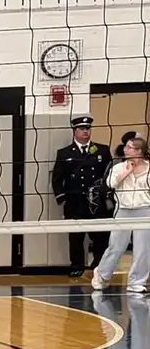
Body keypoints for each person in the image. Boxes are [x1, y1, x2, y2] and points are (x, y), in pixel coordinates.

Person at [54, 115, 112, 279]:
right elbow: (57, 178)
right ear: (75, 131)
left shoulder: (102, 150)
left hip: (97, 202)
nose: (86, 132)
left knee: (100, 235)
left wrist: (106, 194)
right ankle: (77, 265)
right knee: (76, 237)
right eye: (82, 129)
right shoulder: (64, 153)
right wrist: (62, 197)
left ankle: (99, 264)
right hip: (75, 202)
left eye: (88, 129)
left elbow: (109, 174)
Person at [92, 135, 150, 294]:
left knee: (143, 248)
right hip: (123, 210)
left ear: (139, 151)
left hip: (144, 210)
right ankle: (102, 275)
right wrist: (127, 171)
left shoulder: (149, 168)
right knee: (116, 246)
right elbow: (110, 184)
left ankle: (137, 282)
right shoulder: (118, 167)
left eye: (129, 147)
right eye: (126, 147)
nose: (125, 149)